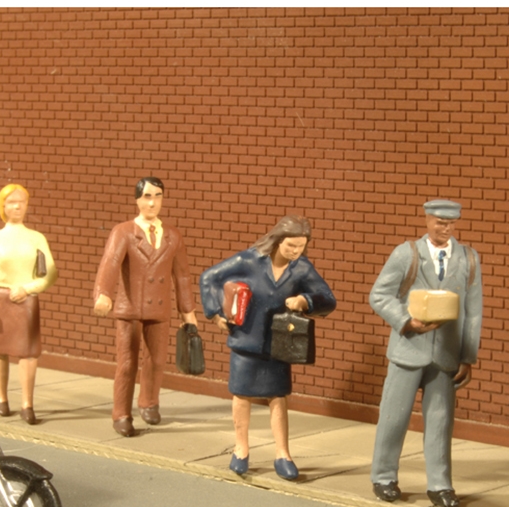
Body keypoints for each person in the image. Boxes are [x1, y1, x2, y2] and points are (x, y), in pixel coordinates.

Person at [199, 215, 336, 480]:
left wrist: (305, 300)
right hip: (246, 340)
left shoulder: (301, 268)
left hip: (280, 343)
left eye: (300, 246)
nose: (295, 251)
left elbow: (328, 299)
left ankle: (282, 454)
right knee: (242, 396)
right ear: (278, 240)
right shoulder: (249, 260)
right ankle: (240, 450)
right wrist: (216, 313)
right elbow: (208, 278)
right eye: (291, 246)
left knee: (278, 398)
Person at [369, 199, 483, 507]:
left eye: (451, 224)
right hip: (408, 349)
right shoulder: (406, 254)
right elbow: (379, 295)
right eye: (440, 223)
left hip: (445, 354)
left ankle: (440, 484)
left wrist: (468, 356)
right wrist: (405, 320)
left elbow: (473, 312)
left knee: (440, 422)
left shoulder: (468, 259)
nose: (445, 229)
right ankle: (383, 476)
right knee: (394, 417)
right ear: (427, 221)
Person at [93, 176, 198, 437]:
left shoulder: (172, 235)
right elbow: (110, 263)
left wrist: (188, 312)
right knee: (127, 363)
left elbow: (182, 277)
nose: (152, 203)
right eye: (147, 197)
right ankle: (121, 413)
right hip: (130, 308)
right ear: (137, 200)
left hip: (159, 309)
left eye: (157, 196)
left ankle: (149, 402)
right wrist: (103, 294)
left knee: (157, 360)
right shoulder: (123, 232)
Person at [0, 183, 58, 425]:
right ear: (2, 206)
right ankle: (2, 398)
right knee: (0, 350)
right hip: (2, 300)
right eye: (11, 202)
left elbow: (50, 273)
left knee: (29, 353)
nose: (17, 207)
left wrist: (28, 288)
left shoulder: (36, 238)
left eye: (21, 202)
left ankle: (27, 403)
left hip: (26, 303)